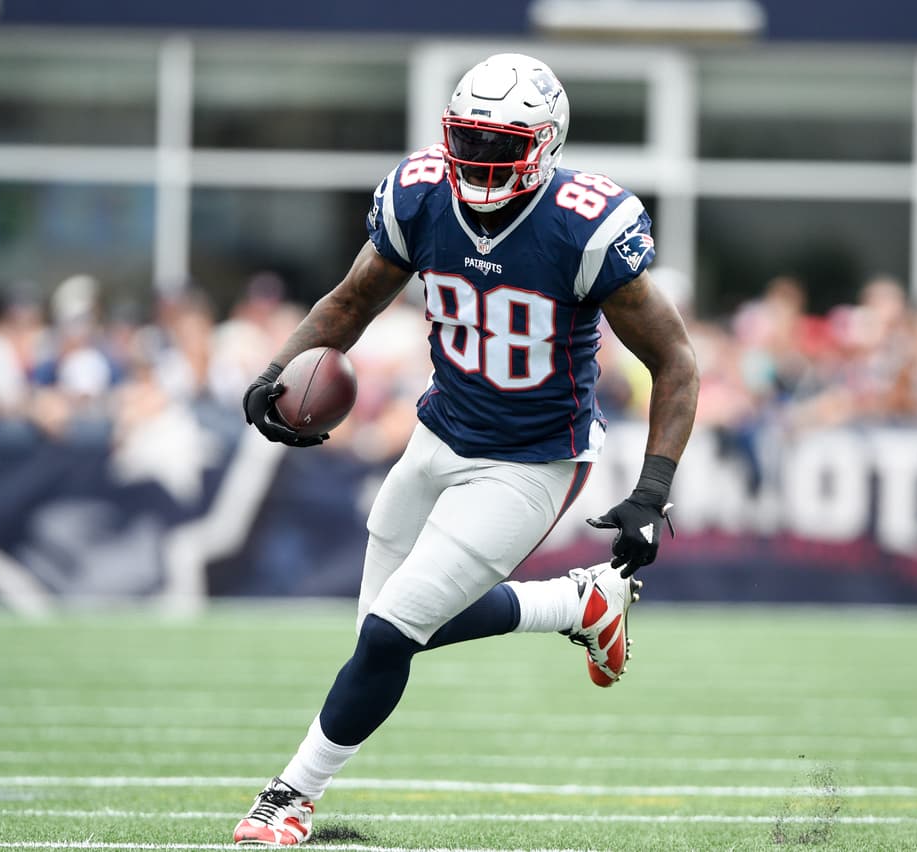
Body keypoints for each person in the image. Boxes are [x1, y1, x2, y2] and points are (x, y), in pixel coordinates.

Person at [235, 53, 699, 846]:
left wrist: (653, 492)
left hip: (531, 461)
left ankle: (289, 799)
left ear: (545, 144)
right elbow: (349, 302)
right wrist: (278, 372)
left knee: (390, 635)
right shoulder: (419, 196)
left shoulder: (584, 226)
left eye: (500, 144)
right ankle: (576, 602)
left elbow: (676, 363)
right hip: (437, 433)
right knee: (380, 633)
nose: (480, 162)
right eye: (469, 140)